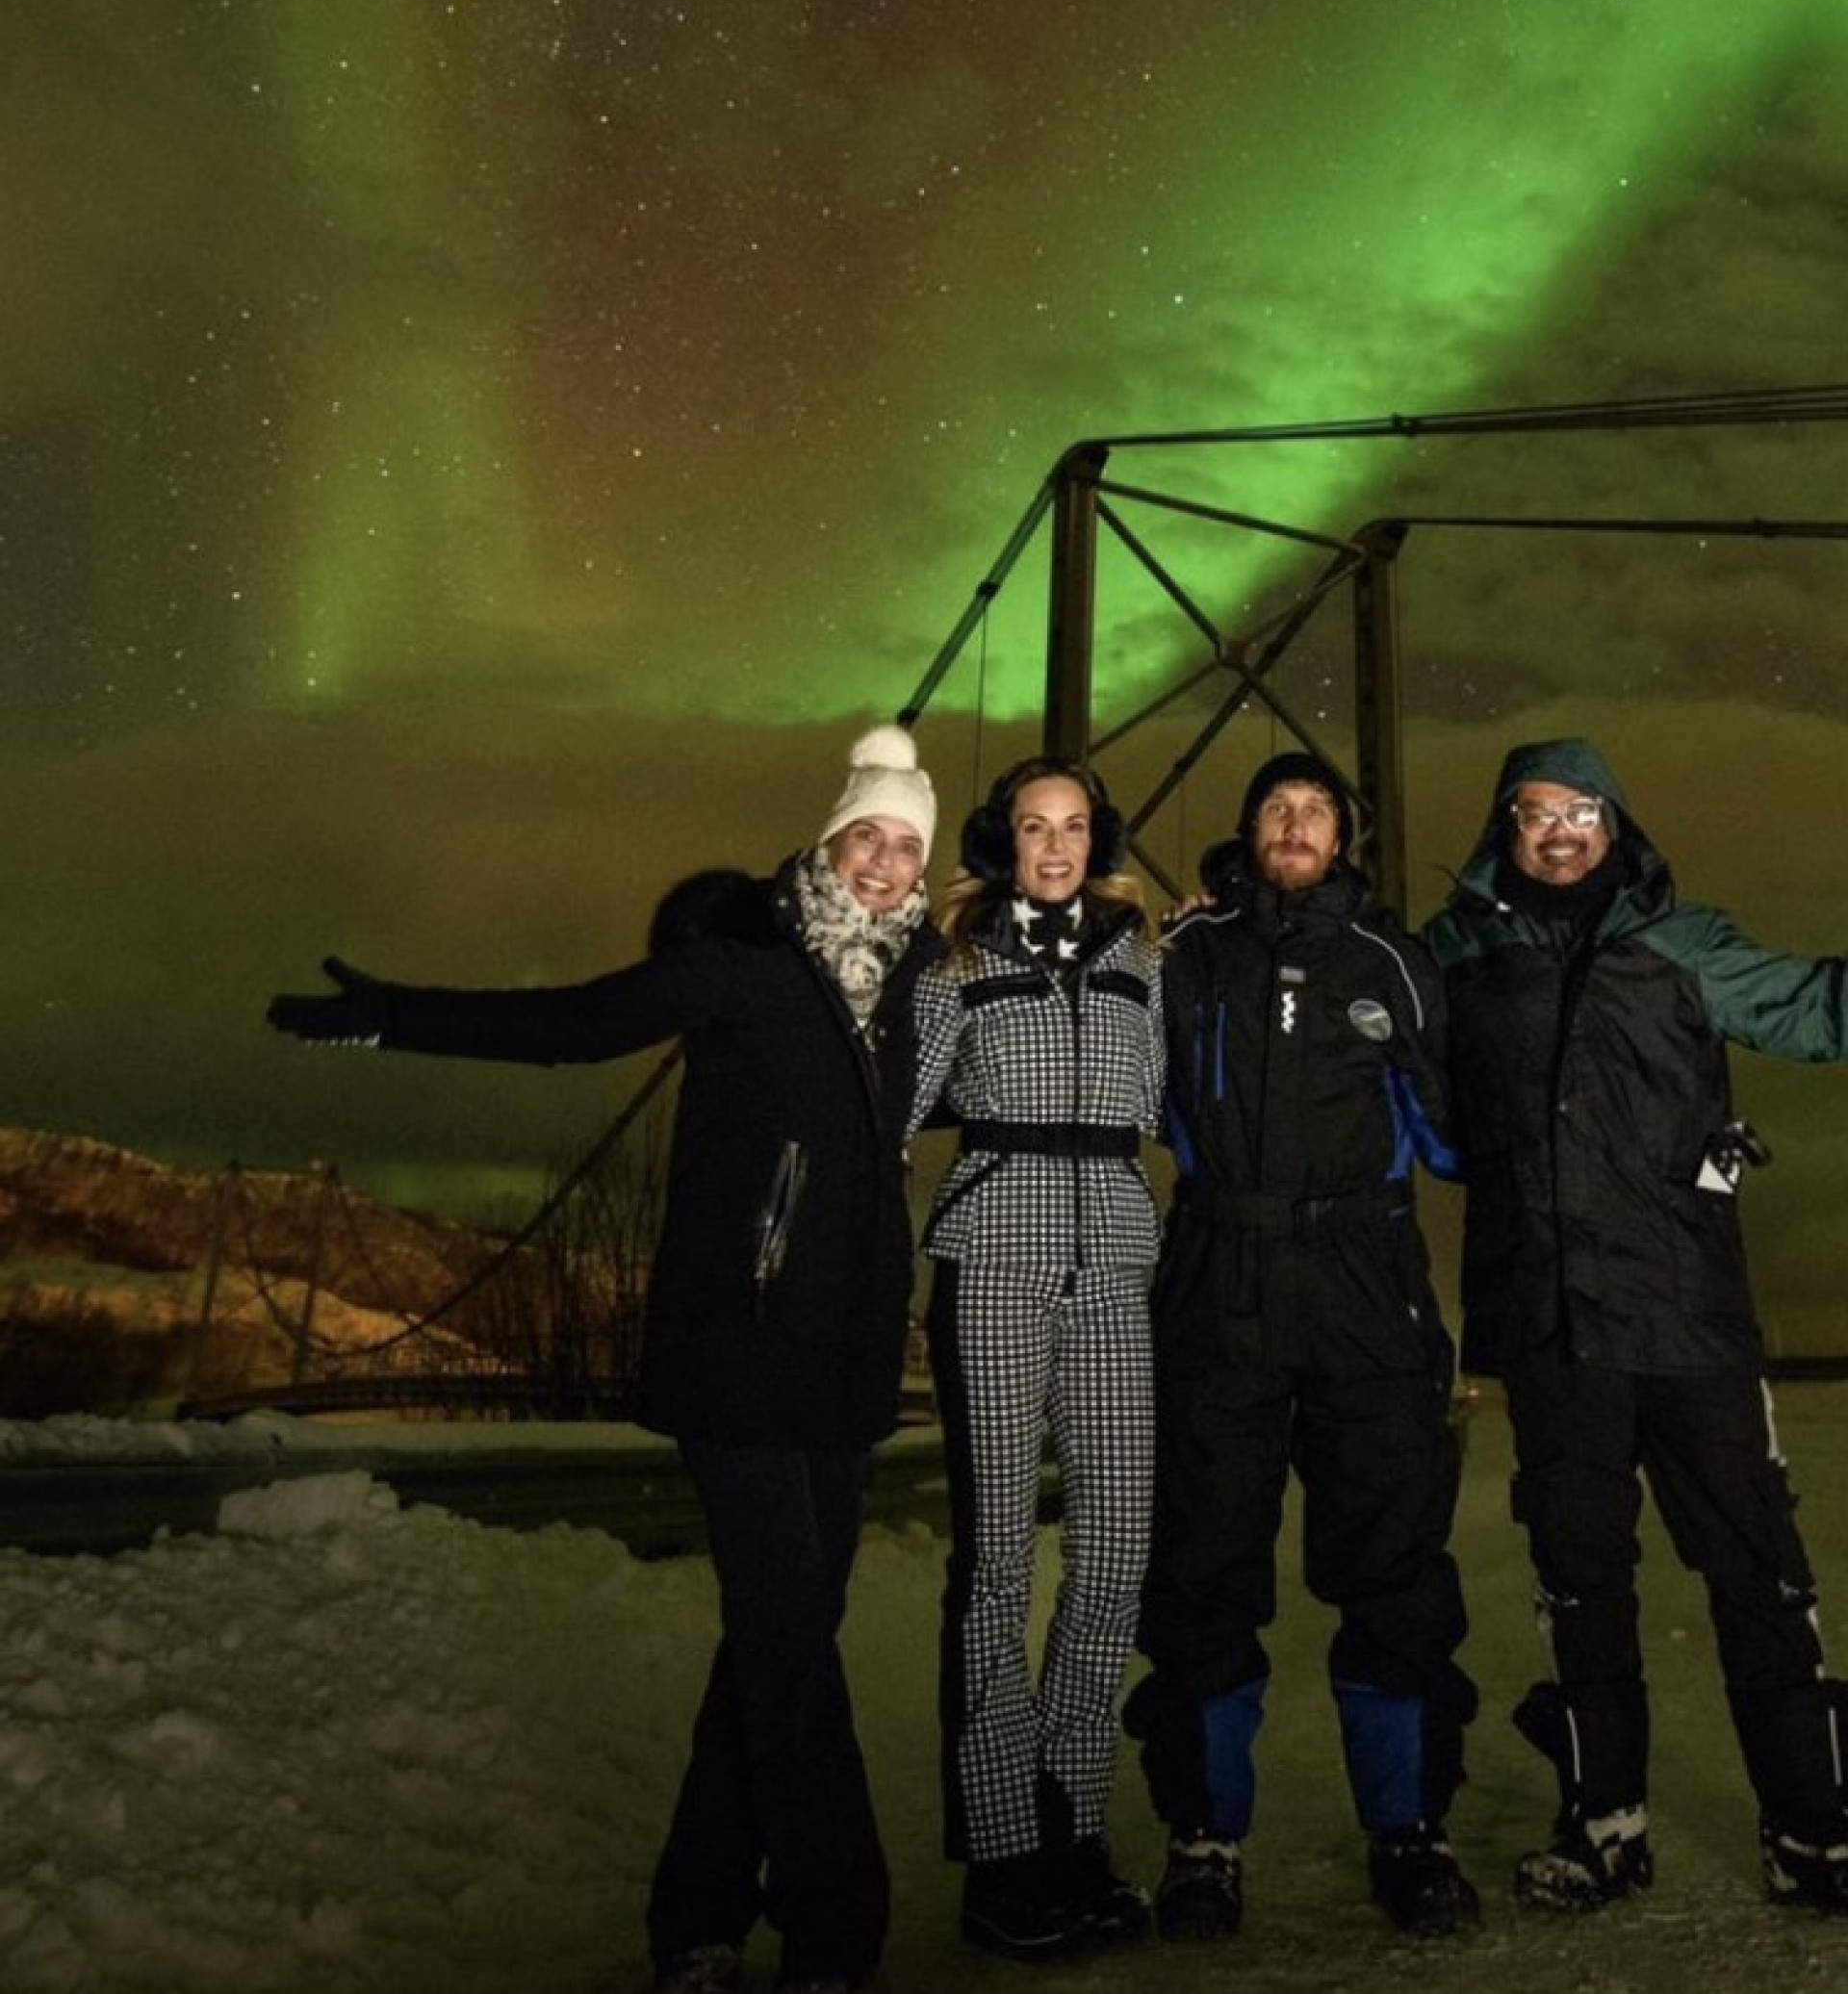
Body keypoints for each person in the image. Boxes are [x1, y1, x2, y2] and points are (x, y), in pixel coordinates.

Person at [267, 726, 944, 1994]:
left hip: (843, 1381)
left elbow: (1019, 1079)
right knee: (792, 1647)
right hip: (738, 1358)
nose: (885, 864)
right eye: (868, 836)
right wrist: (392, 1017)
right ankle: (834, 1935)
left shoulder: (919, 997)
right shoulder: (750, 965)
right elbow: (577, 1024)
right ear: (828, 840)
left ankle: (694, 1919)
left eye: (908, 846)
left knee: (768, 1648)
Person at [1423, 735, 1848, 1915]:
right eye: (1535, 812)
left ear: (1619, 825)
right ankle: (1603, 1822)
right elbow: (1349, 1032)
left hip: (1692, 1318)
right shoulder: (1455, 955)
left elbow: (1818, 1011)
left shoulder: (1684, 943)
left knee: (1761, 1577)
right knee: (1580, 1584)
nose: (1560, 830)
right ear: (1503, 830)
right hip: (1554, 1324)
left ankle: (1813, 1828)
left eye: (1583, 810)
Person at [1126, 750, 1480, 1944]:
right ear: (1249, 829)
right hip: (1219, 1276)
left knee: (1391, 1563)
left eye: (1317, 810)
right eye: (1277, 808)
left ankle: (1409, 1830)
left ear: (1345, 838)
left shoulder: (1392, 961)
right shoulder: (1192, 957)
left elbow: (1456, 1135)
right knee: (1203, 1563)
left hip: (1363, 1285)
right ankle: (1204, 1840)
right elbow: (1134, 1099)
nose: (1295, 825)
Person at [909, 755, 1167, 1963]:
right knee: (1000, 1564)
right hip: (995, 1256)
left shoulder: (1139, 961)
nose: (1055, 846)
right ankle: (1005, 1849)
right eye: (1032, 827)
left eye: (1073, 827)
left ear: (1096, 839)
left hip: (1115, 1259)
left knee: (1116, 1550)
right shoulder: (955, 960)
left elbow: (1167, 1097)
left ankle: (1072, 1812)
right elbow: (893, 1104)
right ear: (1002, 840)